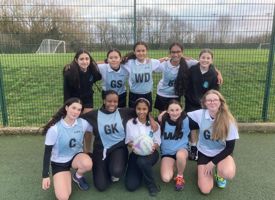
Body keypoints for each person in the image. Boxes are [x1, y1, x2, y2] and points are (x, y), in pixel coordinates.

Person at [81, 90, 158, 191]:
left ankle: (114, 167)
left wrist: (151, 119)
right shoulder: (94, 115)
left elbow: (142, 111)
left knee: (116, 171)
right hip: (101, 150)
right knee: (101, 186)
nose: (112, 104)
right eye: (109, 101)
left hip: (118, 148)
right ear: (104, 101)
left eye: (115, 101)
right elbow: (75, 116)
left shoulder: (124, 112)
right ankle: (104, 167)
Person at [187, 90, 239, 194]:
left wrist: (212, 163)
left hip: (222, 153)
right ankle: (202, 169)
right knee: (205, 190)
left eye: (215, 100)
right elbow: (181, 115)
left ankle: (220, 174)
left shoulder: (228, 120)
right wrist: (165, 113)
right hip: (204, 153)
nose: (212, 102)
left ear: (220, 102)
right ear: (205, 103)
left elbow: (229, 148)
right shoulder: (200, 114)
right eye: (209, 100)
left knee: (228, 173)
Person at [41, 98, 93, 200]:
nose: (76, 112)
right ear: (66, 108)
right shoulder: (54, 128)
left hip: (76, 157)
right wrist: (45, 176)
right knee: (64, 197)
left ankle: (77, 176)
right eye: (73, 108)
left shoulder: (82, 123)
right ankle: (65, 175)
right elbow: (47, 153)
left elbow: (96, 129)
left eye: (79, 109)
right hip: (59, 163)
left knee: (87, 163)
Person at [184, 48, 220, 161]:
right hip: (191, 102)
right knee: (193, 125)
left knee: (204, 125)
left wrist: (209, 103)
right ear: (199, 58)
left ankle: (203, 147)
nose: (205, 60)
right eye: (203, 57)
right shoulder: (192, 69)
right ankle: (193, 147)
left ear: (212, 60)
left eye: (208, 58)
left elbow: (215, 92)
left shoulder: (214, 74)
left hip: (205, 105)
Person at [63, 48, 101, 153]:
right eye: (81, 59)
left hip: (88, 101)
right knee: (75, 126)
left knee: (87, 126)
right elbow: (66, 92)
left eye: (87, 59)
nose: (84, 61)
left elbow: (98, 75)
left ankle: (87, 151)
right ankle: (74, 150)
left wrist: (100, 62)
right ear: (76, 60)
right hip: (74, 102)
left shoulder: (92, 70)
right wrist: (68, 107)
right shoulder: (69, 73)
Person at [124, 98, 161, 197]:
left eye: (144, 109)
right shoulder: (130, 123)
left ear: (148, 110)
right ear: (135, 109)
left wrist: (153, 146)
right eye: (138, 109)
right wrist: (135, 145)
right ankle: (142, 171)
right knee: (131, 186)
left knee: (142, 162)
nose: (141, 111)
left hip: (151, 153)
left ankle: (152, 185)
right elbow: (128, 141)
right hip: (135, 154)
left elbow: (158, 142)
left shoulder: (155, 125)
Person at [155, 42, 196, 113]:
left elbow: (203, 63)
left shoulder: (187, 63)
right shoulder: (164, 64)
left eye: (178, 52)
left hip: (176, 95)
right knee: (162, 118)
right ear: (170, 53)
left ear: (182, 52)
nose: (175, 54)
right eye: (173, 52)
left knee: (175, 117)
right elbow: (150, 66)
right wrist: (159, 60)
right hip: (162, 94)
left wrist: (218, 72)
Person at [158, 100, 190, 191]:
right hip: (167, 153)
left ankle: (180, 176)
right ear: (167, 111)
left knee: (180, 155)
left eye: (177, 110)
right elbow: (150, 121)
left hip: (181, 150)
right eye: (171, 110)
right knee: (166, 178)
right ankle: (175, 164)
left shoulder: (186, 119)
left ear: (181, 110)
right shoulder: (162, 119)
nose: (175, 113)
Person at [122, 41, 162, 111]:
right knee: (133, 115)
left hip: (147, 94)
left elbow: (162, 62)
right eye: (138, 51)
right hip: (134, 95)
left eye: (143, 51)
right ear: (134, 52)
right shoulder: (129, 63)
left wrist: (164, 59)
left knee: (146, 114)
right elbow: (114, 62)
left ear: (146, 51)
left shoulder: (152, 62)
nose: (141, 53)